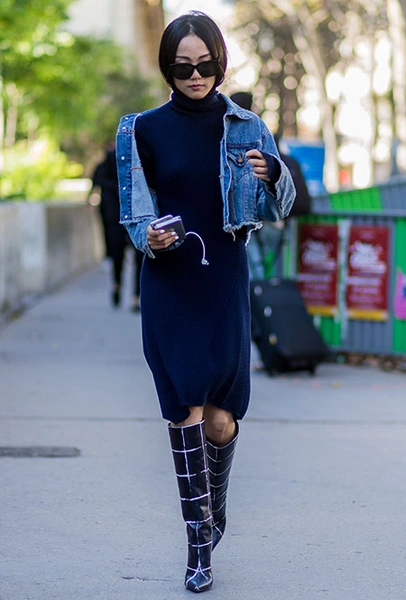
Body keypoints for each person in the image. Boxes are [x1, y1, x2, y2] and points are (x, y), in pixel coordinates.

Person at [116, 11, 295, 593]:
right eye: (182, 66)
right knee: (183, 408)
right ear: (167, 68)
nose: (195, 75)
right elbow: (134, 212)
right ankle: (198, 549)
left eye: (205, 64)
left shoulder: (246, 126)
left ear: (221, 62)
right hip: (170, 285)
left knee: (220, 419)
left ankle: (214, 507)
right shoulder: (141, 129)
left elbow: (280, 207)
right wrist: (150, 235)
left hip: (223, 283)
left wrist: (274, 173)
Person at [90, 146, 143, 311]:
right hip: (123, 216)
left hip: (125, 217)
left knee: (129, 256)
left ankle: (130, 292)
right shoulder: (117, 159)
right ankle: (124, 289)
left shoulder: (136, 157)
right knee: (125, 256)